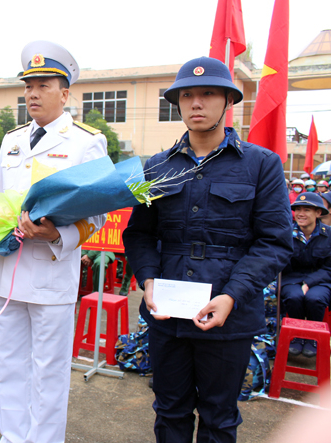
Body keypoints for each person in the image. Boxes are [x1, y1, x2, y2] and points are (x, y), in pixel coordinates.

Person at [123, 57, 292, 443]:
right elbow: (140, 235)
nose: (196, 103)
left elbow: (275, 241)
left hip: (228, 315)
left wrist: (232, 296)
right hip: (167, 312)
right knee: (169, 411)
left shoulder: (261, 164)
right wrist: (147, 280)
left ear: (228, 101)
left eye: (208, 93)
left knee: (219, 417)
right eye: (187, 96)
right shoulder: (157, 167)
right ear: (178, 104)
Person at [0, 41, 108, 443]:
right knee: (9, 367)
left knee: (48, 374)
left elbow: (98, 215)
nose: (32, 93)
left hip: (50, 273)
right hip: (6, 273)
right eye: (28, 85)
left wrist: (58, 234)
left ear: (65, 92)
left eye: (43, 84)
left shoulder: (86, 142)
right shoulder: (11, 140)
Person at [281, 192, 331, 358]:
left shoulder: (328, 234)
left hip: (321, 280)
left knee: (315, 299)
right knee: (294, 297)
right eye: (298, 209)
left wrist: (309, 282)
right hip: (292, 280)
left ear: (318, 213)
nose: (301, 214)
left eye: (307, 209)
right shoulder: (286, 233)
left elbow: (329, 268)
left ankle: (312, 338)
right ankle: (297, 336)